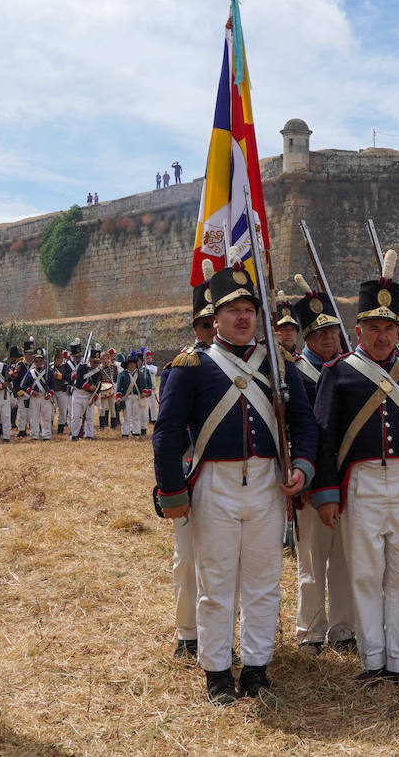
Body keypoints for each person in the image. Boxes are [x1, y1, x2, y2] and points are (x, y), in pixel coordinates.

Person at [153, 263, 317, 704]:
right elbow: (167, 433)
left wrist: (302, 466)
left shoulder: (278, 364)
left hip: (267, 482)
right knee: (216, 582)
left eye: (249, 310)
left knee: (264, 582)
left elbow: (304, 423)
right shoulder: (191, 366)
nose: (243, 318)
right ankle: (218, 672)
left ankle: (257, 668)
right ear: (216, 318)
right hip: (215, 484)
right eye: (233, 310)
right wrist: (172, 491)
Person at [312, 252, 399, 688]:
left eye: (389, 328)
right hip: (362, 482)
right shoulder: (338, 373)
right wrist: (327, 493)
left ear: (398, 330)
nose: (382, 336)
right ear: (358, 332)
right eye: (373, 328)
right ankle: (373, 660)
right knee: (366, 573)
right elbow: (324, 437)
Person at [289, 271, 355, 652]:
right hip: (310, 479)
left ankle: (344, 629)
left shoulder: (349, 370)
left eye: (332, 330)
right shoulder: (295, 373)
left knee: (345, 559)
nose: (328, 337)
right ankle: (311, 631)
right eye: (320, 331)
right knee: (312, 562)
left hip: (346, 476)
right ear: (308, 336)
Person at [156, 268, 216, 660]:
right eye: (206, 324)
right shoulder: (184, 365)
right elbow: (170, 430)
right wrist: (172, 482)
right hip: (191, 469)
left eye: (215, 321)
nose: (212, 329)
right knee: (187, 559)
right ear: (196, 327)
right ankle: (188, 633)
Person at [68, 344, 105, 440]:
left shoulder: (99, 371)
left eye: (97, 362)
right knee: (76, 416)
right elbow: (79, 381)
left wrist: (95, 396)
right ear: (90, 360)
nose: (96, 364)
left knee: (89, 417)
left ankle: (88, 435)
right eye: (94, 362)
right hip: (78, 393)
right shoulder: (82, 367)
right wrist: (89, 387)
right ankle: (74, 434)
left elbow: (99, 386)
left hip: (89, 396)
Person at [18, 350, 55, 441]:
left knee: (46, 417)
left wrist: (50, 394)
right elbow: (24, 386)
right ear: (34, 361)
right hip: (34, 398)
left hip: (45, 397)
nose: (39, 363)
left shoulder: (48, 372)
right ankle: (34, 435)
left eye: (40, 361)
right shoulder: (30, 372)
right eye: (37, 361)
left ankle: (46, 435)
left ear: (43, 361)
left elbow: (53, 386)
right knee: (34, 417)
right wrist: (31, 392)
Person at [115, 353, 153, 439]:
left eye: (134, 363)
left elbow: (144, 386)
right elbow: (119, 387)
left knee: (136, 416)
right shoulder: (122, 374)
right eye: (130, 364)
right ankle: (125, 433)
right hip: (126, 398)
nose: (132, 365)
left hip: (137, 397)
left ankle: (136, 433)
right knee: (126, 416)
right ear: (127, 365)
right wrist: (118, 398)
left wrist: (144, 392)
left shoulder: (140, 374)